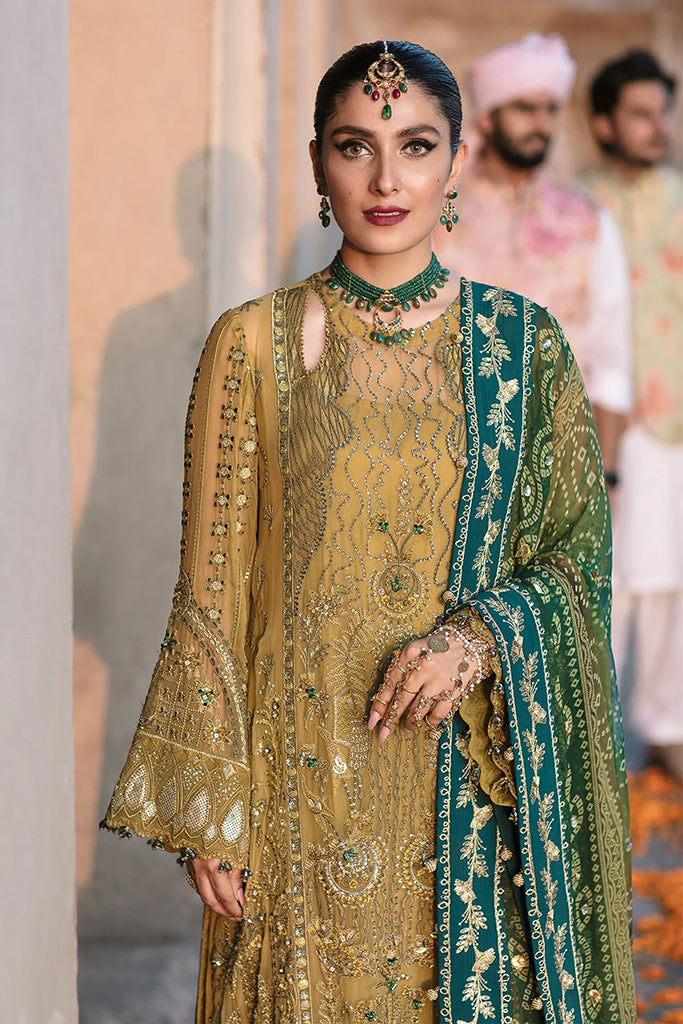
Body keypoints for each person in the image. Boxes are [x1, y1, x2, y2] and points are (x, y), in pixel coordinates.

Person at [101, 40, 636, 1023]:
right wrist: (212, 806)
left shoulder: (522, 349)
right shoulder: (251, 345)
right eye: (355, 146)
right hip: (299, 787)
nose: (386, 179)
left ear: (455, 162)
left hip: (469, 784)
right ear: (317, 162)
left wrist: (476, 639)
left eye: (416, 146)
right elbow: (211, 586)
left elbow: (577, 557)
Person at [434, 33, 632, 482]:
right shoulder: (437, 215)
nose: (542, 124)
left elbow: (611, 358)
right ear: (487, 118)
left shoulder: (589, 221)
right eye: (525, 109)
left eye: (550, 110)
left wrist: (606, 474)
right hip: (451, 462)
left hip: (559, 464)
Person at [581, 50, 683, 782]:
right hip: (604, 429)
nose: (659, 127)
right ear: (603, 123)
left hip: (676, 428)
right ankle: (594, 762)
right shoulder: (574, 211)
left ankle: (669, 748)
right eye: (641, 113)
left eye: (663, 112)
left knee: (674, 588)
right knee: (605, 584)